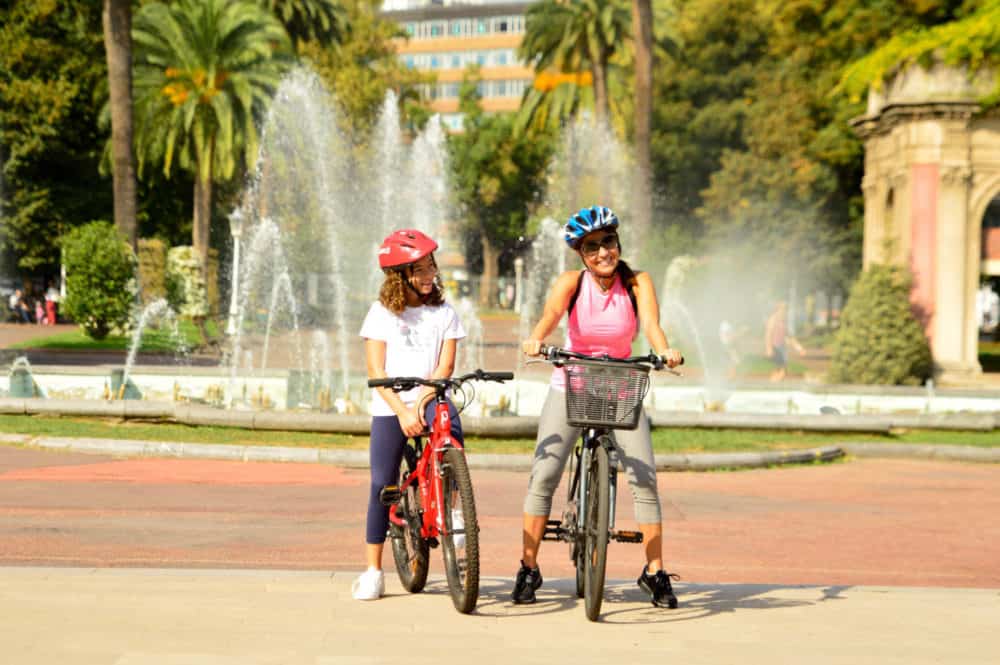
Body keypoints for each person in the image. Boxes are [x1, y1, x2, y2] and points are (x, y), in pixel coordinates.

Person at [513, 206, 684, 609]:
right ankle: (528, 566)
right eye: (592, 247)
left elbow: (653, 328)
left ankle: (655, 571)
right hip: (572, 383)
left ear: (618, 243)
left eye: (608, 242)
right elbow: (550, 317)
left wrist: (665, 352)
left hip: (621, 386)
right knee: (545, 473)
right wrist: (536, 340)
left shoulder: (638, 282)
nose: (603, 252)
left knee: (644, 478)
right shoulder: (571, 283)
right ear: (581, 255)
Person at [353, 229, 466, 601]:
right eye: (419, 269)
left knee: (450, 429)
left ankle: (453, 507)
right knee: (381, 483)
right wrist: (402, 410)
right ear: (399, 276)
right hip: (391, 404)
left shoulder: (445, 312)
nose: (429, 274)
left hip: (430, 396)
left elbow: (445, 365)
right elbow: (376, 372)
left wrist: (423, 402)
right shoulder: (381, 313)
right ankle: (373, 571)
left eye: (430, 265)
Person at [764, 301, 805, 382]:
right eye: (782, 309)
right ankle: (773, 383)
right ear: (777, 309)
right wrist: (768, 348)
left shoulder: (783, 321)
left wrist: (799, 348)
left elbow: (789, 336)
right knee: (782, 369)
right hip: (775, 347)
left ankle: (773, 383)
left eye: (785, 309)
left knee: (779, 370)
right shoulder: (773, 319)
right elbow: (768, 334)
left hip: (782, 348)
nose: (784, 311)